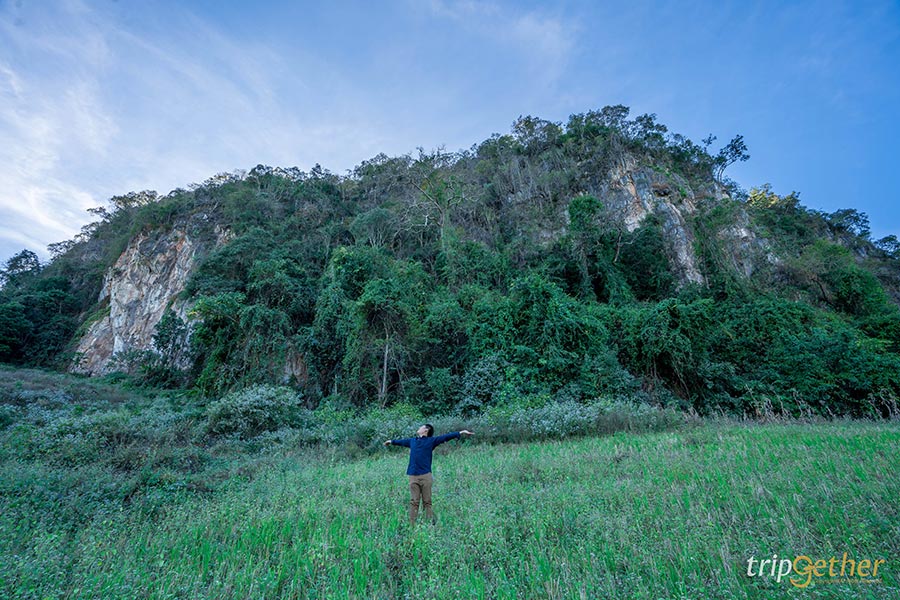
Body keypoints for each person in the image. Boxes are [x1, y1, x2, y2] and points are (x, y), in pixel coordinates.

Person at [384, 424, 474, 525]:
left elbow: (445, 437)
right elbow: (401, 442)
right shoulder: (412, 441)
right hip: (413, 475)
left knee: (427, 501)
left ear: (426, 430)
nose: (419, 428)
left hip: (426, 475)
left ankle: (428, 524)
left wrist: (460, 432)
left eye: (421, 427)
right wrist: (391, 441)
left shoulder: (431, 441)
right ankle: (412, 525)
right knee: (414, 501)